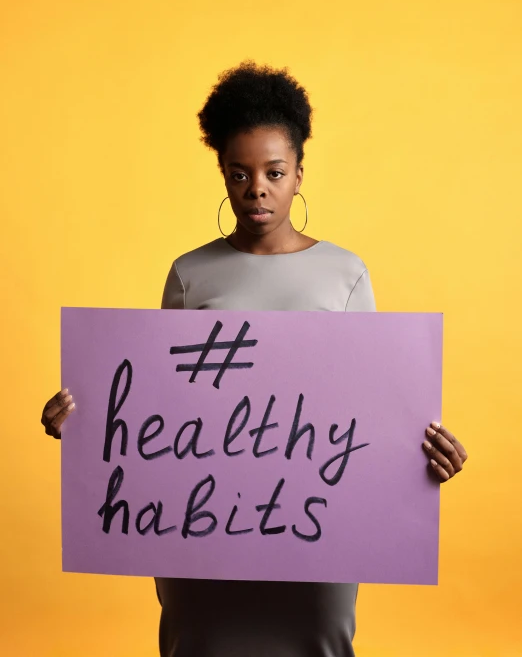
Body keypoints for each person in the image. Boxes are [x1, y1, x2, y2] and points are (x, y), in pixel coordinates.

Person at [41, 60, 468, 657]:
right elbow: (155, 404)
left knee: (318, 643)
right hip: (203, 525)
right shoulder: (190, 274)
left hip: (318, 526)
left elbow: (374, 405)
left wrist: (422, 458)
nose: (257, 188)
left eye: (274, 172)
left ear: (298, 174)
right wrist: (85, 429)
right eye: (239, 173)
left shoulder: (346, 274)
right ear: (223, 173)